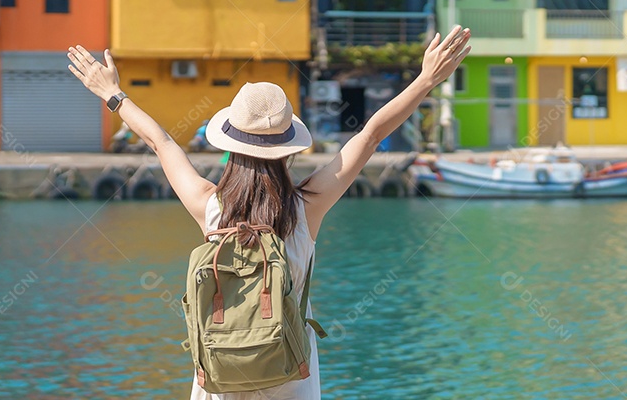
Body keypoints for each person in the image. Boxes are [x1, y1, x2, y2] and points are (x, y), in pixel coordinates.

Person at [67, 26, 471, 400]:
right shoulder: (307, 206)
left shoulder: (209, 207)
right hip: (291, 381)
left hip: (219, 382)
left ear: (231, 145)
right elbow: (371, 134)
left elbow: (161, 142)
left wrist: (113, 94)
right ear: (289, 149)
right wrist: (425, 80)